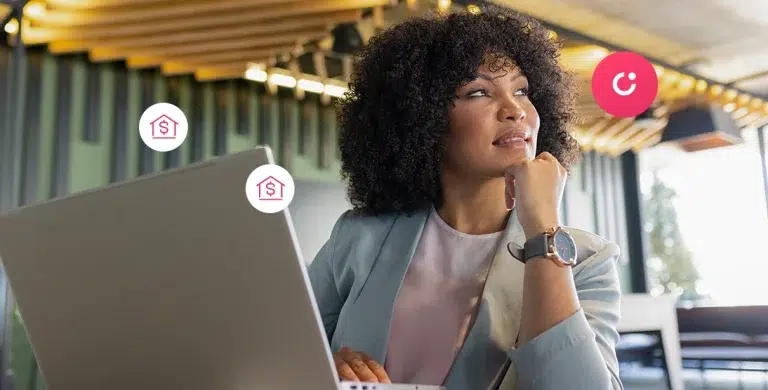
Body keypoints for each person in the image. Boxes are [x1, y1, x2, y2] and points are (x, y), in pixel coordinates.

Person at [307, 7, 623, 390]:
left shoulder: (586, 261)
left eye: (521, 90)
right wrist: (327, 363)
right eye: (478, 93)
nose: (515, 111)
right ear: (422, 119)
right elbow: (283, 350)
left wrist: (543, 231)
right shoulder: (359, 237)